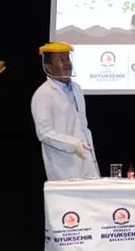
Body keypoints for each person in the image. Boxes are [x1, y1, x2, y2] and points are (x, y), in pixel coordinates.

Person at [30, 41, 99, 180]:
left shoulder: (76, 88)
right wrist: (73, 143)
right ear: (48, 67)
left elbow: (82, 126)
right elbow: (44, 133)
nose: (68, 63)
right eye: (61, 59)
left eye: (68, 58)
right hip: (64, 168)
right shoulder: (43, 94)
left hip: (87, 163)